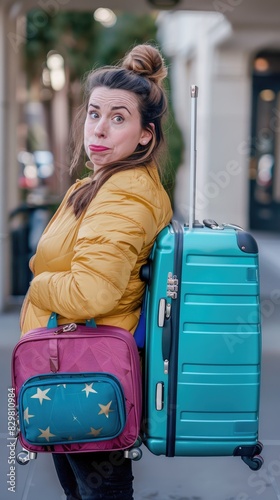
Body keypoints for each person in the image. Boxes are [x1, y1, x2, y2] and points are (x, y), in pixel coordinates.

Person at [19, 43, 173, 500]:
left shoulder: (124, 192)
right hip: (71, 368)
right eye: (93, 114)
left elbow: (91, 293)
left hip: (88, 371)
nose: (99, 129)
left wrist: (38, 287)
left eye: (119, 118)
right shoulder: (99, 183)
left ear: (146, 135)